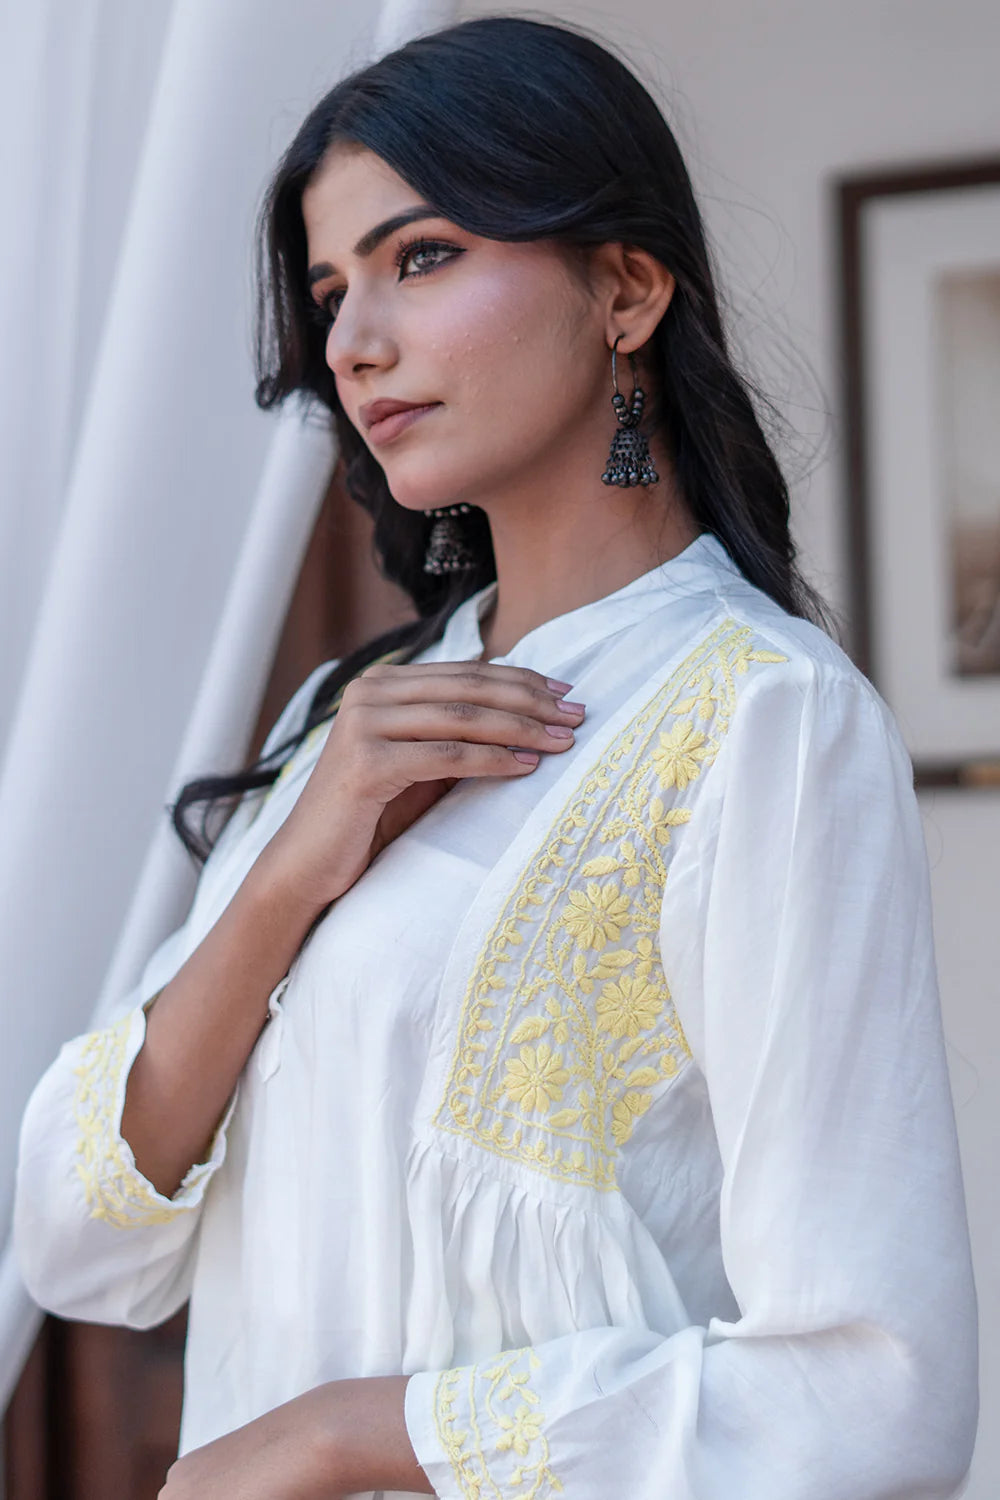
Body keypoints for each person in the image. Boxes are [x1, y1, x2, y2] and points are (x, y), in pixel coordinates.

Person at [13, 15, 978, 1500]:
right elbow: (77, 1243)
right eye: (330, 292)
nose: (353, 342)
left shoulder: (765, 723)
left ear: (627, 289)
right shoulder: (347, 720)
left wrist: (338, 1436)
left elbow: (876, 1394)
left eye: (421, 256)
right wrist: (292, 868)